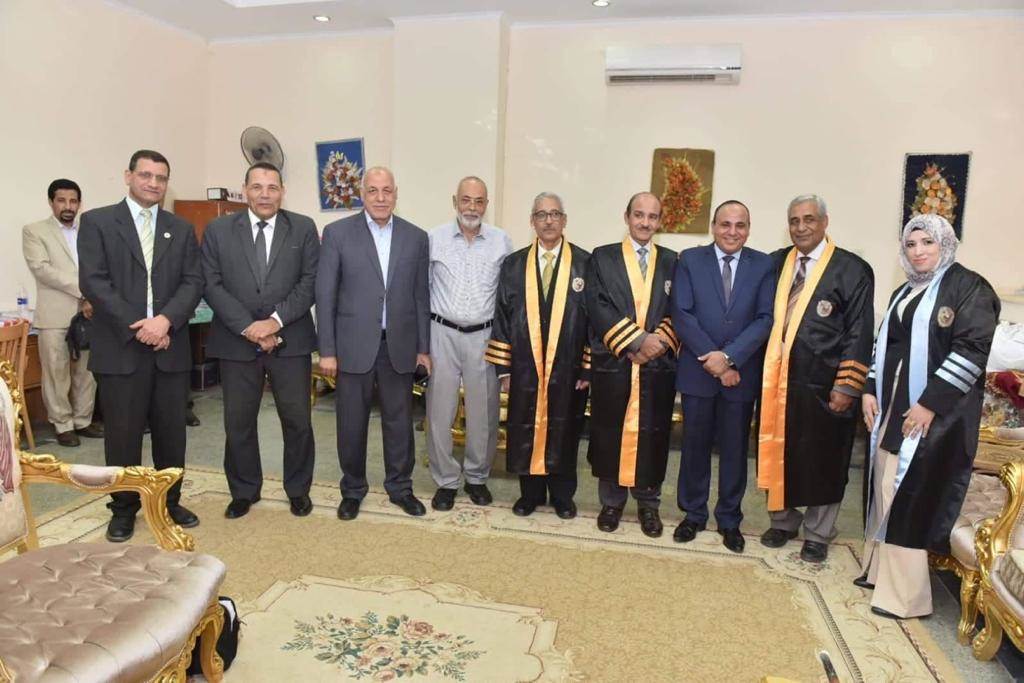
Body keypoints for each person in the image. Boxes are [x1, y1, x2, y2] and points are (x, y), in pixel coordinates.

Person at [860, 214, 999, 619]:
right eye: (911, 244)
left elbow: (972, 352)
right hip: (893, 406)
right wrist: (869, 388)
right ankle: (880, 574)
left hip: (937, 415)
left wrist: (929, 402)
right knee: (885, 484)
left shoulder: (969, 288)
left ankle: (906, 598)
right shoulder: (904, 290)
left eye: (927, 243)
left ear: (946, 244)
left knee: (910, 493)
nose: (918, 251)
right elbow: (883, 344)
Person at [78, 149, 204, 542]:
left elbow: (193, 281)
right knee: (122, 435)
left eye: (161, 178)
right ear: (128, 176)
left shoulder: (180, 228)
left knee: (171, 434)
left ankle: (169, 501)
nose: (153, 183)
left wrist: (165, 321)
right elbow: (94, 282)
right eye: (146, 175)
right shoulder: (97, 222)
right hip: (121, 346)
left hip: (169, 345)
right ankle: (123, 508)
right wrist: (140, 326)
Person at [757, 195, 874, 563]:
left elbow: (859, 331)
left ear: (825, 222)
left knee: (825, 457)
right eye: (794, 220)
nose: (801, 227)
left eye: (809, 219)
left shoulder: (852, 269)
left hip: (825, 384)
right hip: (777, 382)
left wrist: (847, 384)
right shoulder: (776, 263)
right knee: (777, 450)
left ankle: (818, 533)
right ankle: (783, 522)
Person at [201, 162, 319, 520]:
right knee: (238, 423)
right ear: (245, 190)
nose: (265, 194)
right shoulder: (219, 230)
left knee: (297, 421)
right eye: (257, 187)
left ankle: (298, 490)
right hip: (236, 342)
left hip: (291, 340)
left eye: (272, 187)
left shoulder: (303, 227)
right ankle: (244, 491)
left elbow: (310, 281)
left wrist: (274, 322)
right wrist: (248, 327)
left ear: (283, 191)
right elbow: (210, 283)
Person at [316, 166, 431, 520]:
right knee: (351, 423)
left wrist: (423, 349)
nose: (381, 198)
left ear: (396, 194)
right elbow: (325, 294)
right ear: (361, 194)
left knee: (399, 423)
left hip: (399, 346)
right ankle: (352, 490)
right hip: (352, 347)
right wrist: (327, 350)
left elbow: (421, 297)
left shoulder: (416, 237)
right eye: (373, 191)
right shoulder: (337, 234)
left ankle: (401, 487)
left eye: (387, 191)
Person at [671, 200, 774, 553]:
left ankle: (729, 519)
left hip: (740, 375)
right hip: (698, 373)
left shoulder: (764, 265)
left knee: (734, 450)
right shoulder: (689, 260)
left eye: (740, 225)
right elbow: (682, 314)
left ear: (748, 229)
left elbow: (764, 318)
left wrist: (729, 359)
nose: (732, 231)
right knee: (694, 447)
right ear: (713, 226)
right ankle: (693, 514)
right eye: (725, 224)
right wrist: (715, 362)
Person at [487, 192, 589, 518]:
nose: (548, 221)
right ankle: (529, 495)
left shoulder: (585, 264)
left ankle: (562, 496)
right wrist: (504, 369)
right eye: (541, 215)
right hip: (524, 367)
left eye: (555, 214)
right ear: (532, 221)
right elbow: (502, 316)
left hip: (568, 368)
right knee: (525, 427)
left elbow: (594, 322)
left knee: (565, 428)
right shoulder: (514, 264)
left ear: (564, 220)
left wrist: (587, 368)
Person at [586, 192, 679, 537]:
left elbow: (680, 309)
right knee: (609, 430)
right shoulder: (602, 257)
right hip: (616, 361)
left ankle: (648, 505)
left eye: (652, 217)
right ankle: (611, 503)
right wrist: (636, 342)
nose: (645, 222)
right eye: (639, 215)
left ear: (660, 222)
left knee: (653, 434)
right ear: (626, 217)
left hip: (656, 367)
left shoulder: (672, 261)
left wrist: (656, 344)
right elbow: (597, 305)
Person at [426, 176, 513, 510]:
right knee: (439, 412)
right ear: (455, 201)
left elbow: (508, 298)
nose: (472, 207)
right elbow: (421, 290)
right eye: (466, 200)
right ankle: (446, 480)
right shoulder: (433, 239)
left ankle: (477, 477)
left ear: (486, 205)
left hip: (484, 337)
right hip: (442, 333)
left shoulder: (501, 241)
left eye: (479, 201)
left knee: (484, 413)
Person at [22, 179, 103, 447]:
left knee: (87, 371)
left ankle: (83, 420)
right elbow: (42, 269)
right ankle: (62, 424)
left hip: (90, 314)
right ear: (51, 202)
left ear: (79, 204)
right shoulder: (34, 231)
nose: (68, 206)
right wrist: (85, 291)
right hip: (55, 315)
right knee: (56, 373)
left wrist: (94, 296)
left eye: (73, 201)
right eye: (61, 200)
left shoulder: (89, 231)